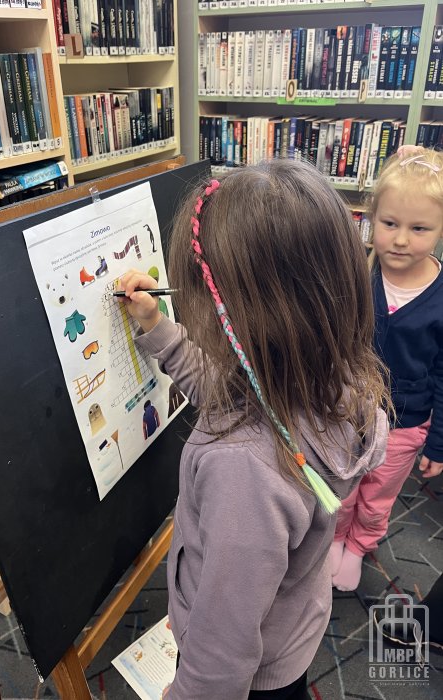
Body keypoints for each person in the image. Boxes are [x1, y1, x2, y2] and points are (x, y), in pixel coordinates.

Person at [117, 160, 389, 700]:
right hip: (290, 631)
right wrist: (156, 326)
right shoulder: (325, 382)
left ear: (234, 321)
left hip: (250, 672)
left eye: (194, 296)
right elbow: (224, 393)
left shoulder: (243, 468)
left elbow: (221, 658)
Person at [331, 146, 443, 592]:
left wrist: (438, 442)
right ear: (372, 218)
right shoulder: (359, 278)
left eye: (419, 229)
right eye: (390, 224)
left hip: (405, 424)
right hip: (348, 415)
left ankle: (359, 546)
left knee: (377, 495)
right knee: (341, 487)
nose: (400, 240)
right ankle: (334, 538)